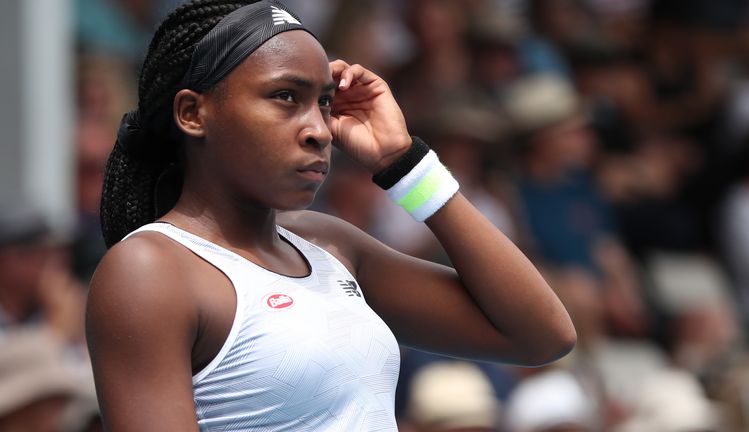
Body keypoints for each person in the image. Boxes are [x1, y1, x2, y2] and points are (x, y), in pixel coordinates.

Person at [85, 1, 576, 431]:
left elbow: (542, 335)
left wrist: (404, 165)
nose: (319, 129)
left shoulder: (330, 244)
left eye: (323, 103)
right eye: (285, 97)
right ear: (193, 113)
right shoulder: (150, 270)